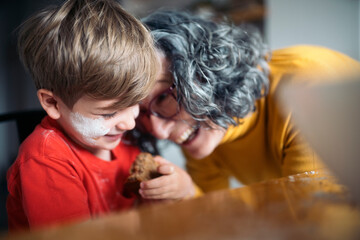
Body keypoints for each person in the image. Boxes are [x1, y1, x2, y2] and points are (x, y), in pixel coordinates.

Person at [5, 0, 191, 232]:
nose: (130, 122)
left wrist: (177, 190)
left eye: (135, 103)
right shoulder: (46, 161)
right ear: (53, 103)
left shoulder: (123, 138)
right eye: (110, 112)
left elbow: (146, 217)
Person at [132, 10, 360, 197]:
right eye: (138, 113)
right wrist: (188, 192)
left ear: (202, 72)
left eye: (162, 97)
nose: (158, 132)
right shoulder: (201, 126)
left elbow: (320, 223)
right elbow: (212, 217)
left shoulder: (306, 91)